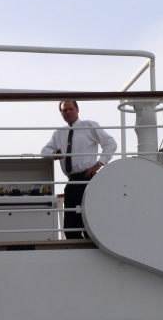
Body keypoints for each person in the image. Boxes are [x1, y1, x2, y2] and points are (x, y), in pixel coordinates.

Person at [41, 101, 117, 239]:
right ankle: (78, 250)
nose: (68, 112)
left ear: (77, 109)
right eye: (64, 110)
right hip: (71, 182)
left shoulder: (89, 125)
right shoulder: (59, 133)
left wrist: (99, 164)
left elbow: (110, 143)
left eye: (71, 109)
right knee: (70, 227)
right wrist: (54, 153)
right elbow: (44, 151)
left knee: (89, 223)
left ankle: (91, 249)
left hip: (87, 178)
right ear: (61, 113)